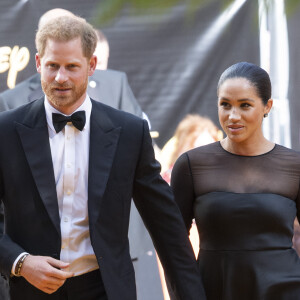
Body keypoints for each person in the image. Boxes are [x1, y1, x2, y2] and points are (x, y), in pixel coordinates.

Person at [0, 15, 205, 300]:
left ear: (92, 65)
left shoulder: (129, 132)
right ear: (38, 64)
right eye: (52, 66)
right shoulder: (6, 130)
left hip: (106, 290)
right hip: (30, 290)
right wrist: (20, 262)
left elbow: (167, 227)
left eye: (72, 67)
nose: (61, 77)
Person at [171, 62, 300, 299]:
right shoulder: (192, 164)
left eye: (245, 105)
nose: (233, 116)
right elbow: (173, 244)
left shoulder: (294, 166)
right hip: (215, 289)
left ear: (267, 106)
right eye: (225, 105)